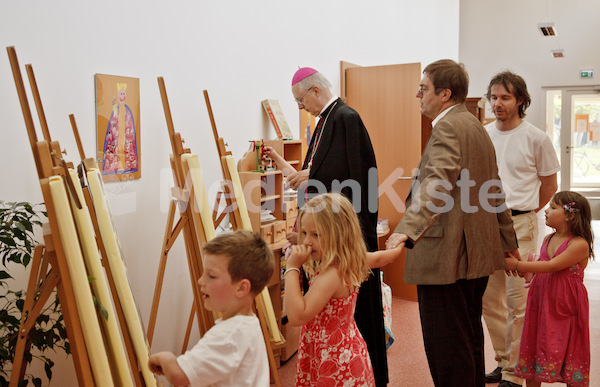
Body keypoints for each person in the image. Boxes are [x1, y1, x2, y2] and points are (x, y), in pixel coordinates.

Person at [386, 59, 519, 387]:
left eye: (423, 89)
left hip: (446, 259)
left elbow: (437, 181)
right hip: (474, 257)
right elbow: (494, 190)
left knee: (448, 349)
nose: (418, 95)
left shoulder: (447, 127)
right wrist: (507, 243)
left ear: (445, 94)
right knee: (468, 341)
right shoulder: (474, 125)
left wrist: (406, 227)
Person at [266, 67, 389, 386]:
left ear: (316, 90)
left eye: (300, 99)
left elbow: (358, 179)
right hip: (323, 237)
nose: (300, 106)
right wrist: (303, 173)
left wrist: (312, 175)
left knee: (349, 316)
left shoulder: (345, 118)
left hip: (342, 238)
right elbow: (324, 171)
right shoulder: (327, 120)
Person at [481, 71, 560, 387]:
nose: (498, 103)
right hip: (487, 223)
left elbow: (549, 184)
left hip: (521, 222)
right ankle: (504, 361)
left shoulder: (536, 137)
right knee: (489, 299)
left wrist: (526, 212)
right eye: (494, 97)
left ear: (521, 101)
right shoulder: (484, 134)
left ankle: (515, 372)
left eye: (505, 97)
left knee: (518, 301)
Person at [148, 230, 274, 387]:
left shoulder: (228, 335)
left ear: (241, 288)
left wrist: (165, 358)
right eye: (203, 273)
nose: (201, 281)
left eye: (211, 276)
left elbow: (178, 376)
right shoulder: (248, 324)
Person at [284, 193, 377, 386]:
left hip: (335, 359)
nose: (307, 241)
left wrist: (292, 268)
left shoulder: (331, 275)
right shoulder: (344, 262)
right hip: (334, 352)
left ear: (339, 235)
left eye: (316, 234)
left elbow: (297, 316)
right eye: (304, 233)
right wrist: (394, 252)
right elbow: (377, 258)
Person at [505, 191, 594, 387]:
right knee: (536, 341)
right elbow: (542, 266)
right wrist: (523, 267)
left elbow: (552, 266)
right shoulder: (548, 239)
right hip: (542, 300)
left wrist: (518, 266)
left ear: (570, 215)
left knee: (570, 344)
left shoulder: (579, 244)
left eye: (553, 207)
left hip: (566, 304)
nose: (546, 210)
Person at [102, 82, 138, 176]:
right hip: (117, 137)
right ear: (118, 96)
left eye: (124, 94)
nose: (122, 96)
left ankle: (126, 166)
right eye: (121, 94)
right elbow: (113, 124)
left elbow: (130, 126)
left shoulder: (128, 111)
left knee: (126, 151)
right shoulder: (116, 110)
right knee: (116, 151)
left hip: (125, 137)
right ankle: (116, 166)